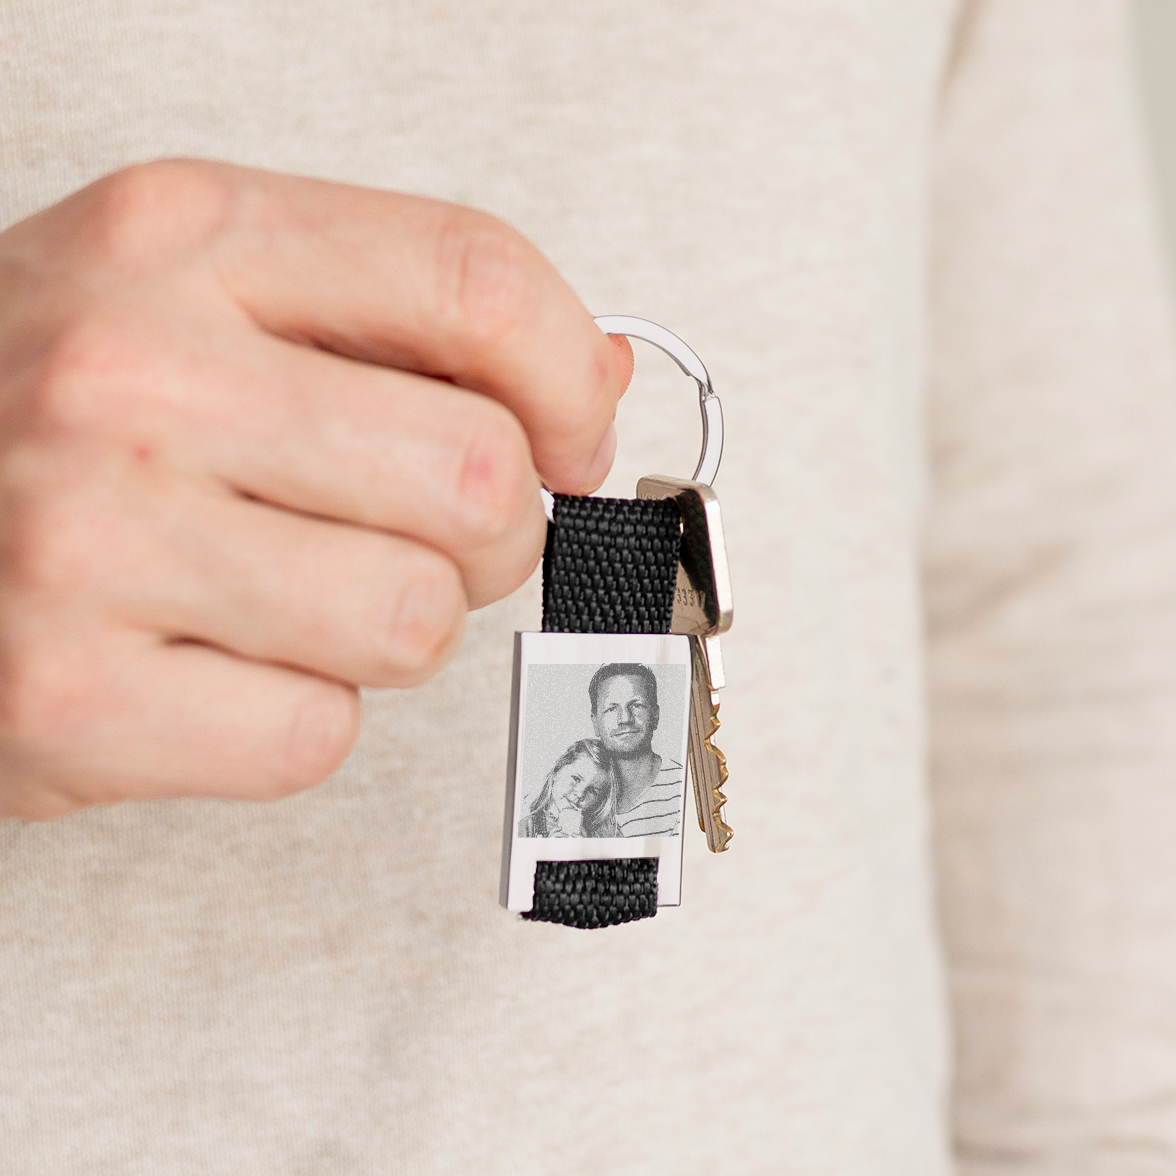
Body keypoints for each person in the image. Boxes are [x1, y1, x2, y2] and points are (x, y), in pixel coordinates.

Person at [588, 663, 683, 838]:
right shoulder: (578, 794)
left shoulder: (682, 788)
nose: (625, 718)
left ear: (655, 715)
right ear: (595, 723)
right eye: (611, 709)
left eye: (636, 705)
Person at [518, 738, 616, 838]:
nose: (580, 794)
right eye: (576, 779)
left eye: (592, 790)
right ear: (557, 770)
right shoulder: (527, 827)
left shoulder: (597, 835)